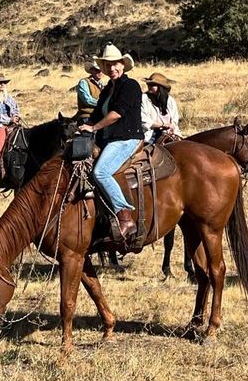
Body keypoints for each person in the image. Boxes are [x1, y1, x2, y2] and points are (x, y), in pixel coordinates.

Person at [78, 43, 144, 247]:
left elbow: (117, 114)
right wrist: (81, 126)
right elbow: (97, 113)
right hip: (109, 139)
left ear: (123, 65)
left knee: (101, 172)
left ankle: (124, 216)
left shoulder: (130, 86)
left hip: (127, 138)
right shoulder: (107, 89)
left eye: (115, 64)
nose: (112, 68)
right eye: (108, 65)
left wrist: (94, 128)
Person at [141, 72, 182, 144]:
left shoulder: (170, 100)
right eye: (148, 84)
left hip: (170, 134)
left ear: (160, 87)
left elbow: (175, 118)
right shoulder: (143, 99)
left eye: (152, 85)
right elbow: (144, 120)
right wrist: (162, 125)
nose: (149, 86)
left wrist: (171, 126)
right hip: (151, 135)